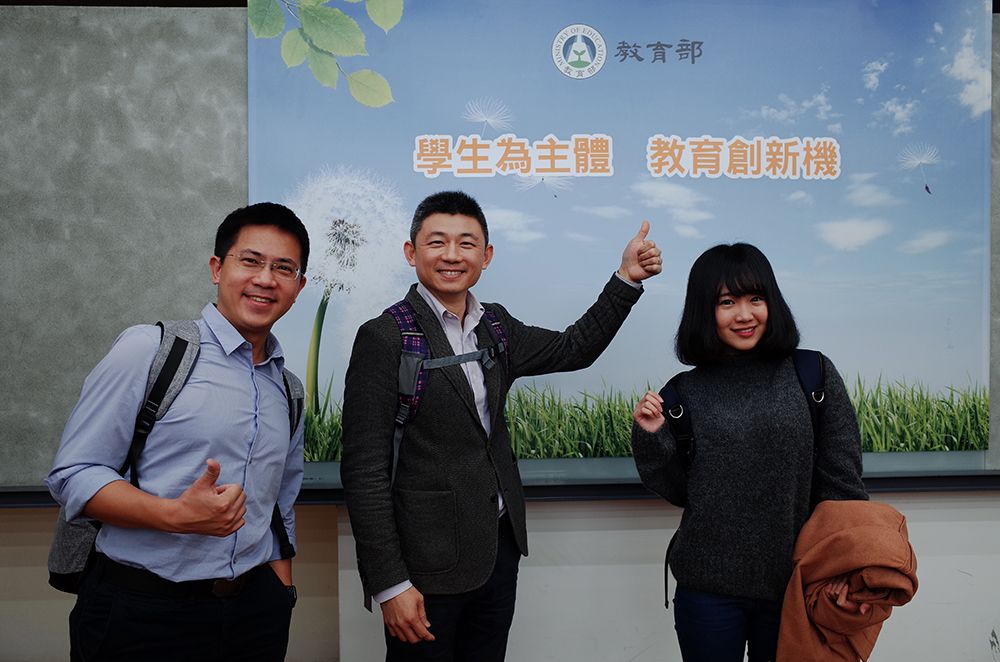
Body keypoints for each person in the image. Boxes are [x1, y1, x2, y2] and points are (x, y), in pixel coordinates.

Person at [341, 190, 662, 661]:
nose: (452, 255)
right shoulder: (385, 336)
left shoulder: (495, 326)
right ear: (411, 252)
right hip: (424, 567)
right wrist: (390, 584)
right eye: (437, 242)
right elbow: (364, 472)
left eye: (467, 243)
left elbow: (573, 347)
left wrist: (626, 279)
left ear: (486, 256)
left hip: (497, 552)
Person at [46, 202, 309, 662]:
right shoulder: (151, 350)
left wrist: (280, 593)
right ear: (217, 268)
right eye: (250, 261)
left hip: (254, 614)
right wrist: (174, 515)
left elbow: (279, 504)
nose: (266, 279)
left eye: (283, 269)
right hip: (142, 610)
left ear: (299, 287)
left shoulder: (287, 388)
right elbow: (74, 474)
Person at [630, 242, 868, 662]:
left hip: (796, 585)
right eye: (727, 302)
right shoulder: (682, 394)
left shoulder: (813, 375)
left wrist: (845, 568)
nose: (744, 314)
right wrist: (651, 437)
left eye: (756, 298)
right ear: (705, 311)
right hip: (707, 590)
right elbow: (679, 491)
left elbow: (843, 485)